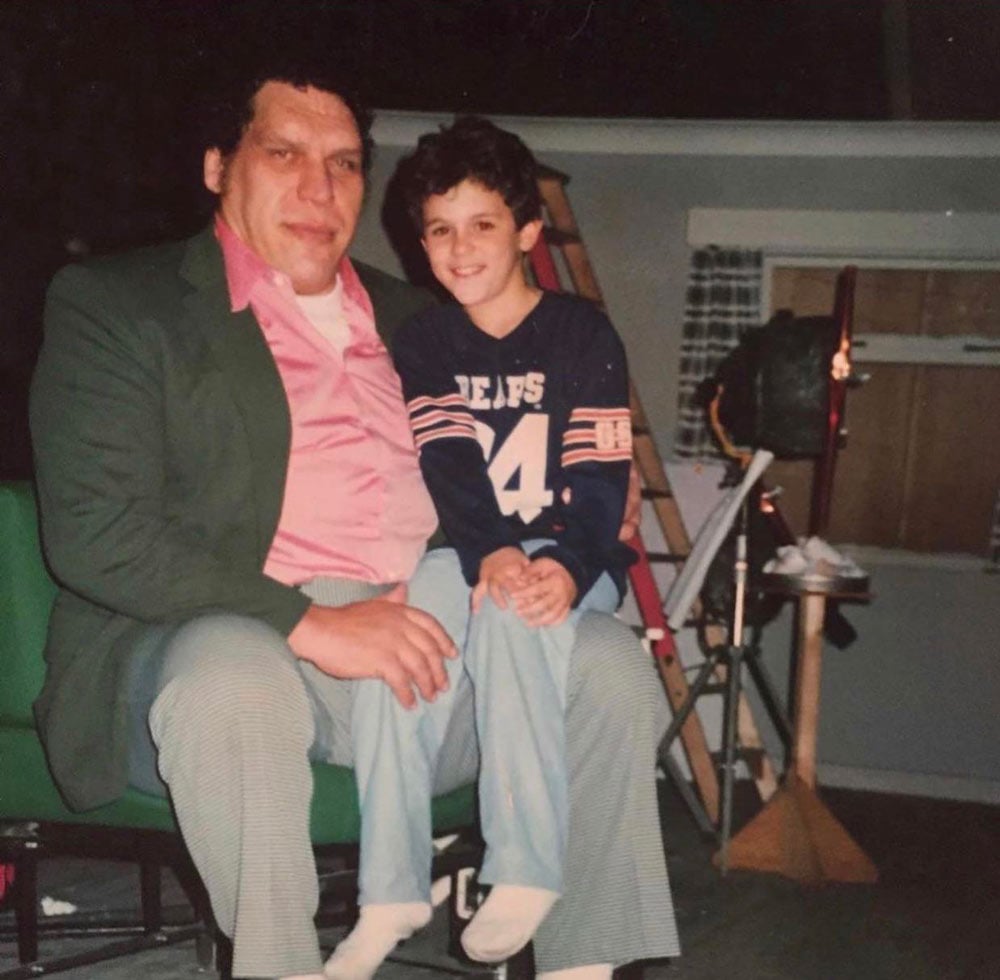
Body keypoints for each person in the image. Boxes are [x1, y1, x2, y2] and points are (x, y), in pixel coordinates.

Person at [29, 52, 680, 980]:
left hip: (421, 645)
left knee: (608, 663)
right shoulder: (121, 307)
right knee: (234, 677)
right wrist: (315, 623)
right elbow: (98, 534)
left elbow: (506, 462)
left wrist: (567, 527)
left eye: (342, 163)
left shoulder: (426, 317)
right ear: (218, 166)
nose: (317, 187)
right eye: (283, 153)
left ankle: (592, 962)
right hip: (235, 644)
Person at [326, 116, 639, 978]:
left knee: (510, 618)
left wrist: (568, 568)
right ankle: (389, 890)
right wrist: (490, 550)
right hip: (471, 547)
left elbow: (604, 478)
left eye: (483, 225)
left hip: (574, 554)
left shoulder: (581, 333)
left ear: (528, 232)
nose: (459, 249)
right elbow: (450, 456)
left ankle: (526, 868)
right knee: (403, 645)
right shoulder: (426, 341)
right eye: (439, 229)